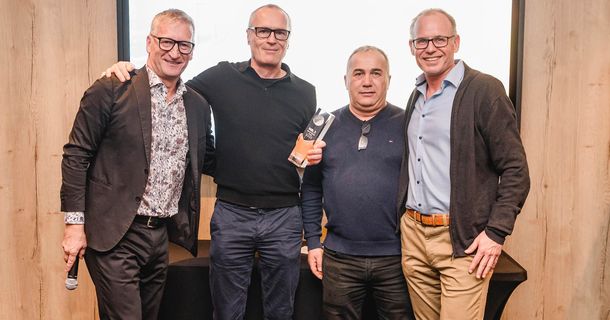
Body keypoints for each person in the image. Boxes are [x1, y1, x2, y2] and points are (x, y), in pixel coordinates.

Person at [104, 4, 323, 319]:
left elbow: (304, 151)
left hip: (285, 217)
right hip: (232, 214)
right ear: (249, 36)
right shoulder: (222, 77)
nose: (271, 39)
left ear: (288, 40)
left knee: (281, 310)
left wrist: (313, 156)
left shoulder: (306, 92)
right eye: (263, 31)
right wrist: (126, 71)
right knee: (227, 310)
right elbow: (169, 85)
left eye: (280, 33)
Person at [60, 9, 214, 320]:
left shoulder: (197, 105)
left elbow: (209, 159)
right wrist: (74, 226)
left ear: (192, 51)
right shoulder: (113, 88)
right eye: (166, 41)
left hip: (158, 238)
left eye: (184, 45)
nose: (175, 52)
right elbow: (76, 155)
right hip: (114, 233)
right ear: (148, 42)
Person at [396, 8, 530, 320]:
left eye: (439, 39)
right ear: (412, 47)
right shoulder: (416, 96)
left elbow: (515, 169)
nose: (430, 47)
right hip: (414, 236)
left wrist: (496, 232)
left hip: (461, 242)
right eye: (422, 40)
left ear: (456, 42)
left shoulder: (484, 90)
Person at [302, 46, 414, 320]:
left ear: (388, 79)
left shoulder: (409, 124)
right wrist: (314, 242)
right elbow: (311, 188)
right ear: (346, 80)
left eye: (376, 73)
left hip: (397, 258)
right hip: (339, 257)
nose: (367, 81)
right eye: (359, 73)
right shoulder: (322, 125)